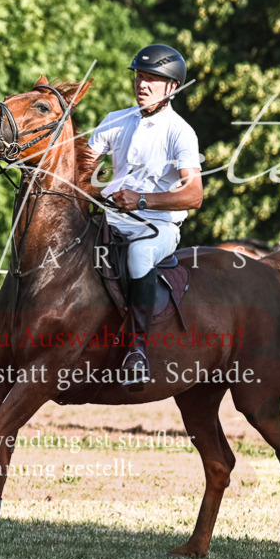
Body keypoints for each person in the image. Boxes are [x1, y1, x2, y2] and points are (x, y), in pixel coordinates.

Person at [80, 44, 203, 386]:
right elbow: (83, 168)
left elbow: (194, 195)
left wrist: (142, 201)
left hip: (155, 225)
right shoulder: (115, 120)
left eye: (152, 79)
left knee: (138, 257)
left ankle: (137, 351)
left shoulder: (180, 132)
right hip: (109, 218)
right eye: (139, 77)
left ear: (172, 88)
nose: (142, 85)